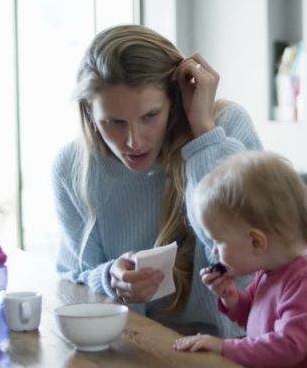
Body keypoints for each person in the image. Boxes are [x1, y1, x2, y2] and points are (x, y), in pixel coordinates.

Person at [52, 24, 262, 337]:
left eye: (150, 116)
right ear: (90, 113)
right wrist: (110, 278)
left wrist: (203, 133)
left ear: (175, 99)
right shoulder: (72, 166)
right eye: (114, 123)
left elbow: (247, 251)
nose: (133, 141)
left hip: (236, 347)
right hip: (137, 345)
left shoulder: (226, 129)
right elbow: (73, 279)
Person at [173, 151, 307, 368]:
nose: (214, 250)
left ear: (256, 242)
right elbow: (253, 316)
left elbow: (287, 348)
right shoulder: (269, 270)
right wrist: (232, 298)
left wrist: (223, 346)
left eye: (219, 241)